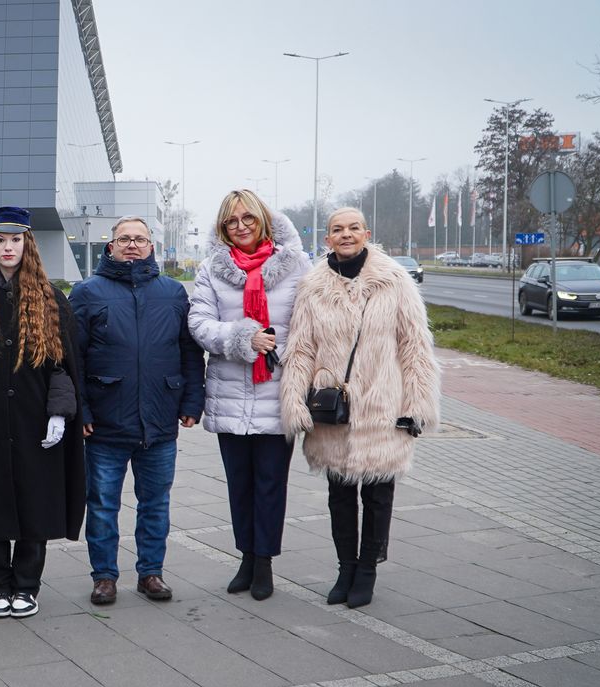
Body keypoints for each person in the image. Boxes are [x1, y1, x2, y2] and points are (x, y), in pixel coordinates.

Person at [280, 207, 440, 609]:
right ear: (327, 238)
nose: (346, 234)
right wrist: (295, 401)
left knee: (378, 493)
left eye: (353, 228)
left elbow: (414, 346)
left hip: (383, 406)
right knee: (339, 494)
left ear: (366, 233)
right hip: (333, 407)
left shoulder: (394, 281)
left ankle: (367, 569)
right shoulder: (313, 286)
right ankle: (344, 568)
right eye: (337, 229)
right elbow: (300, 348)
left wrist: (417, 404)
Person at [0, 206, 84, 619]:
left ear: (28, 244)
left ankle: (26, 585)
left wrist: (59, 413)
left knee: (32, 505)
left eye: (16, 240)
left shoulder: (50, 299)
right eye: (0, 240)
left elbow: (62, 366)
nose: (8, 247)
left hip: (32, 422)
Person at [69, 216, 204, 605]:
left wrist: (193, 400)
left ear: (151, 247)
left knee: (156, 503)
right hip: (105, 424)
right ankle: (105, 577)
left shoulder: (173, 293)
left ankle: (151, 574)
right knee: (102, 504)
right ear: (110, 247)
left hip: (160, 420)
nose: (132, 244)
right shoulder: (87, 292)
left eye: (140, 239)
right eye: (124, 239)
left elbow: (190, 353)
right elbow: (73, 359)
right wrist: (82, 410)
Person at [188, 189, 310, 601]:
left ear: (263, 221)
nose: (240, 227)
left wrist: (279, 344)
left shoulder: (295, 265)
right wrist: (242, 337)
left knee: (271, 483)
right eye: (231, 222)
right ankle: (245, 556)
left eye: (248, 219)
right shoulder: (211, 269)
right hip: (229, 393)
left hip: (279, 392)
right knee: (239, 484)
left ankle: (264, 564)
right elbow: (199, 323)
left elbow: (311, 323)